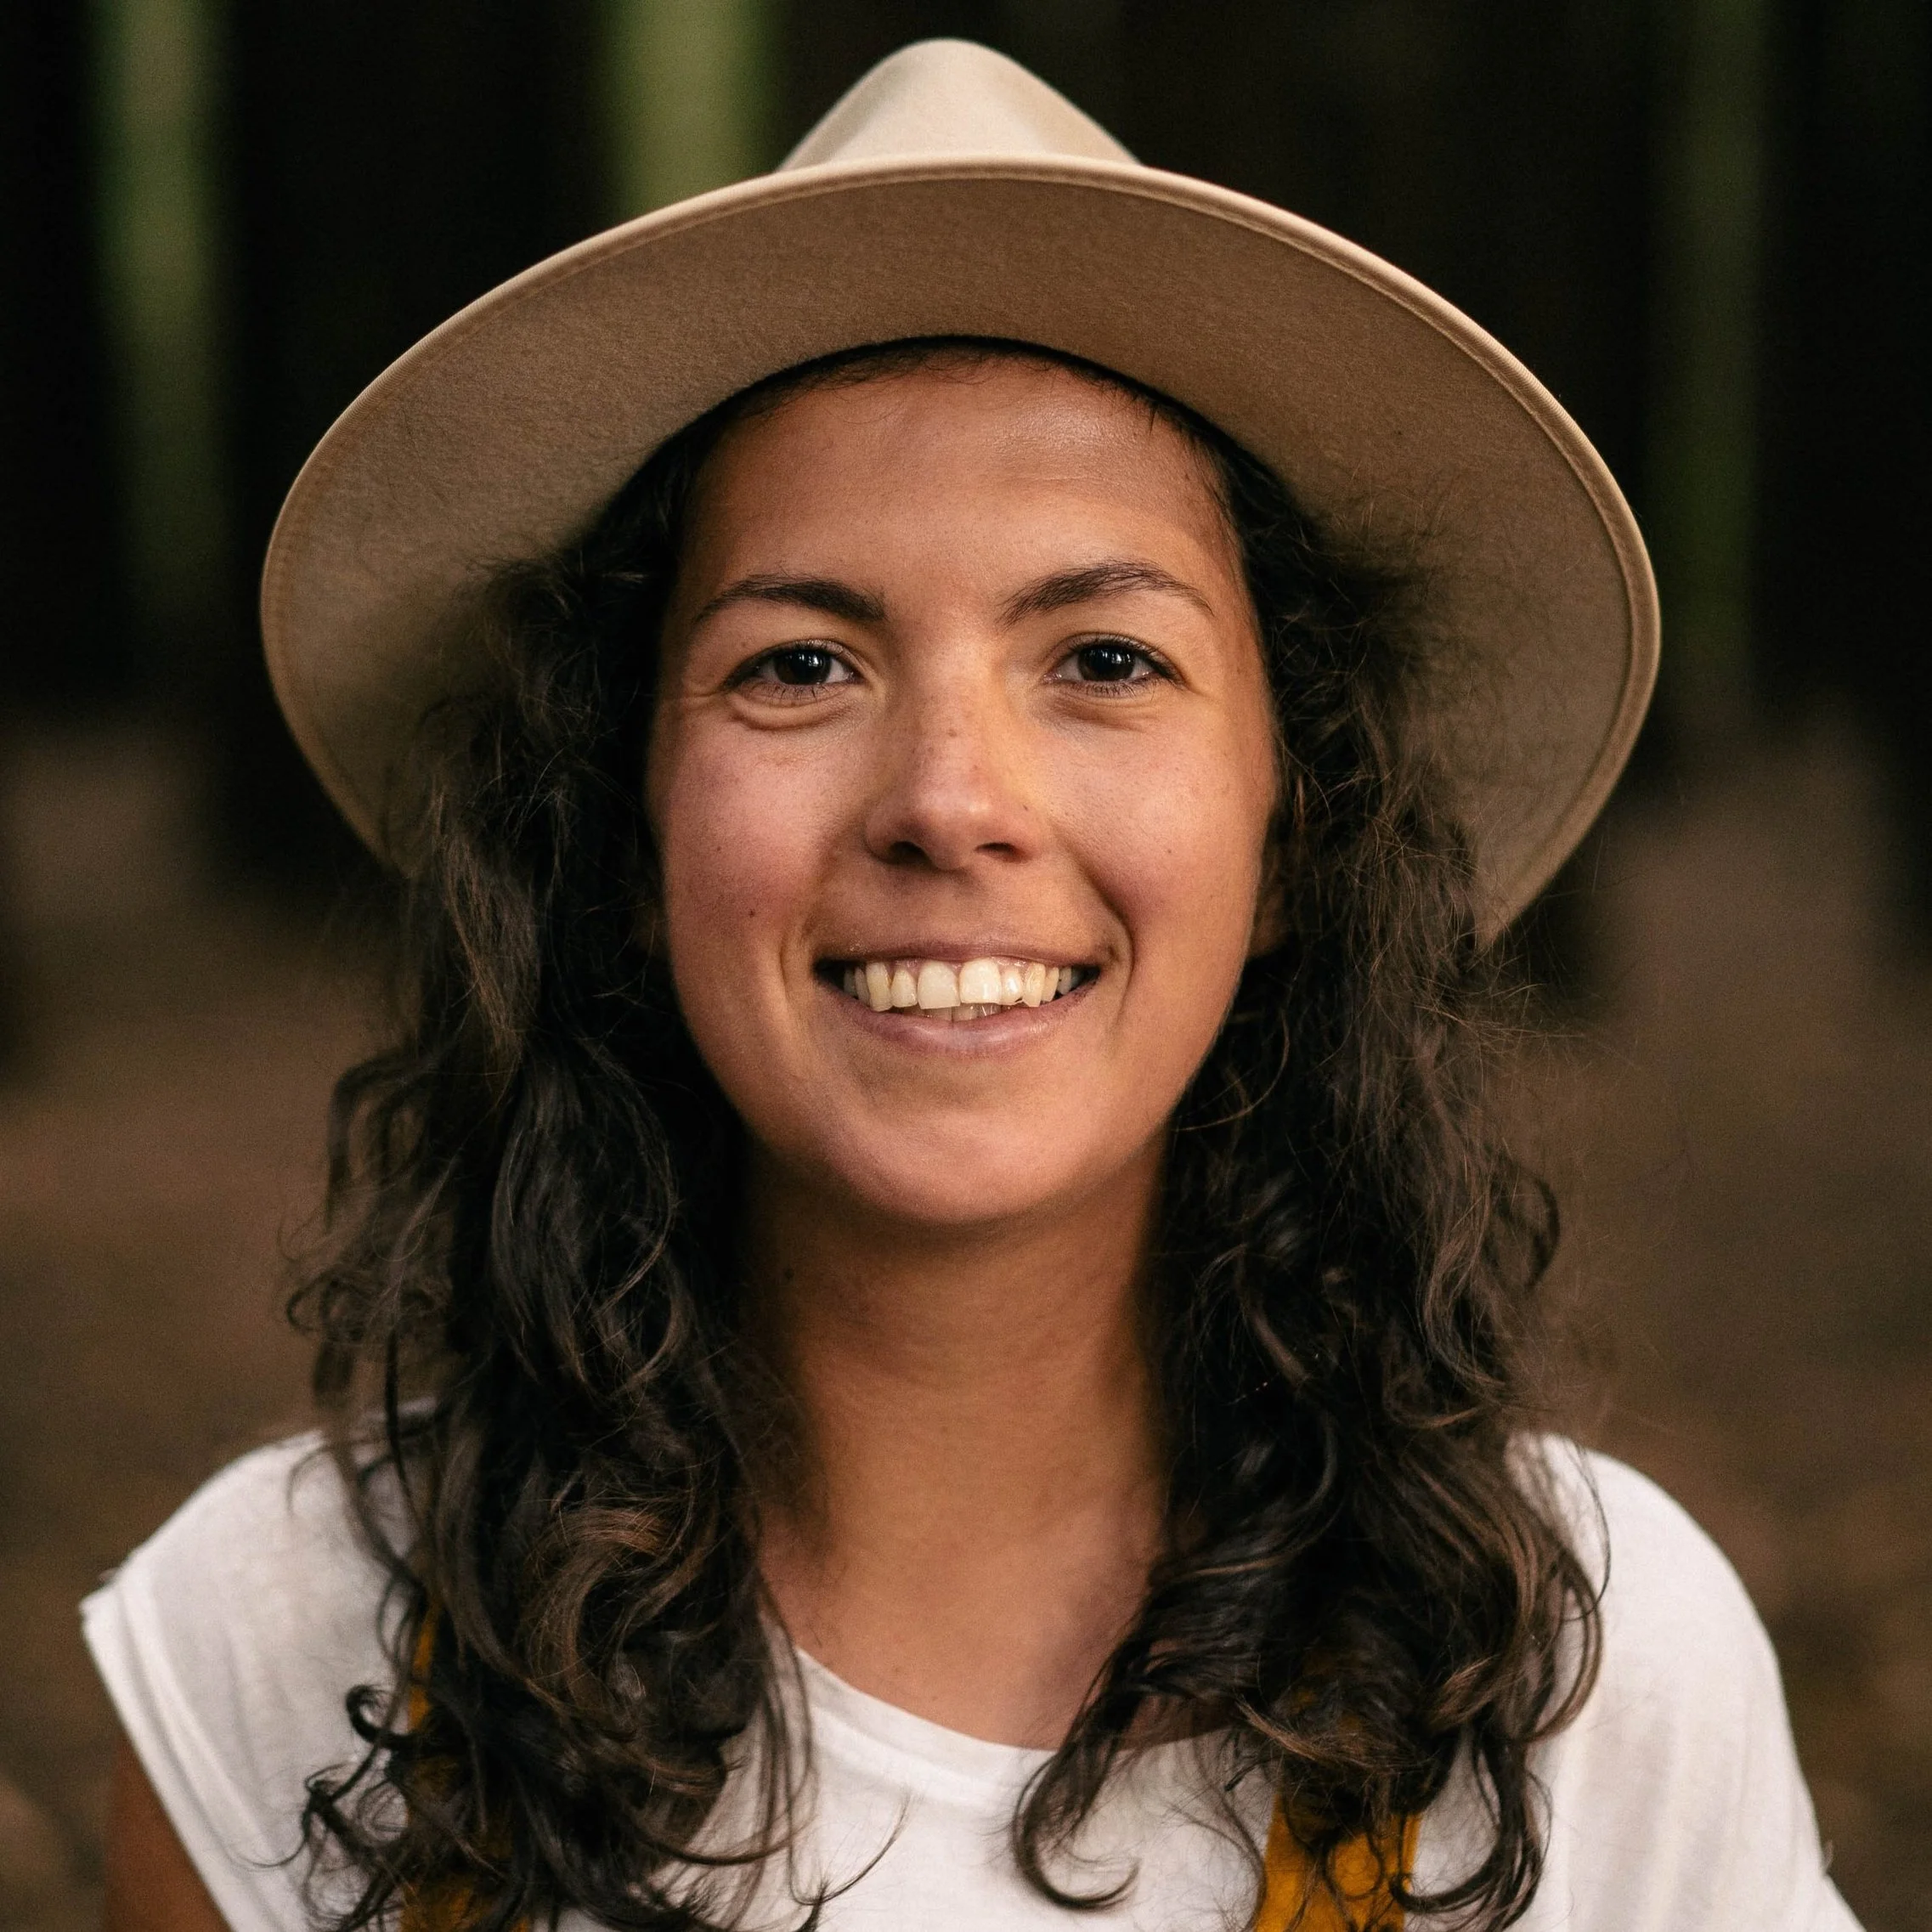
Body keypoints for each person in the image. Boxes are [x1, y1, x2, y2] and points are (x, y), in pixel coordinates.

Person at [86, 40, 1858, 1932]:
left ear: (1292, 834)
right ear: (624, 836)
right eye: (799, 665)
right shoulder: (281, 1648)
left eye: (1103, 660)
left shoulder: (1588, 1679)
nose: (949, 800)